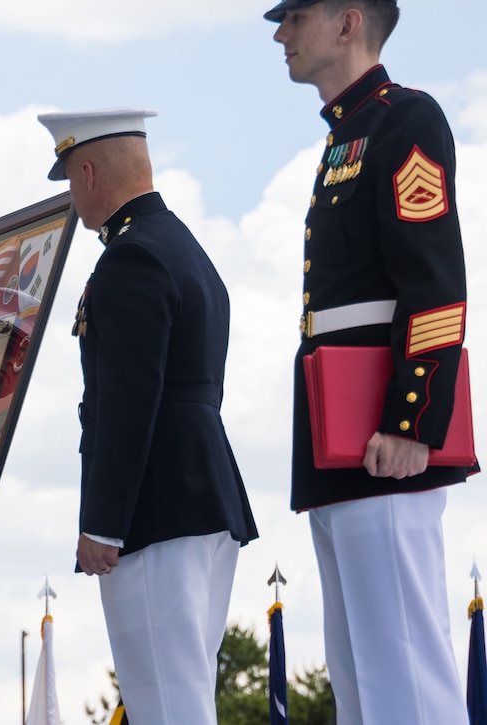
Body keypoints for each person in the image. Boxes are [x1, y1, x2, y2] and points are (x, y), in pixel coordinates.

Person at [266, 1, 478, 722]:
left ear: (347, 21)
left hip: (387, 432)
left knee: (405, 670)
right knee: (359, 674)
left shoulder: (404, 120)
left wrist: (412, 419)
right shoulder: (343, 139)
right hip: (343, 433)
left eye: (294, 16)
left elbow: (434, 283)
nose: (280, 33)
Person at [36, 108, 258, 724]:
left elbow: (129, 400)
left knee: (165, 696)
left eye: (71, 181)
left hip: (155, 505)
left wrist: (104, 525)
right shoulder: (185, 247)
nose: (74, 199)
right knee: (183, 688)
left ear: (88, 172)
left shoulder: (130, 259)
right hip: (202, 494)